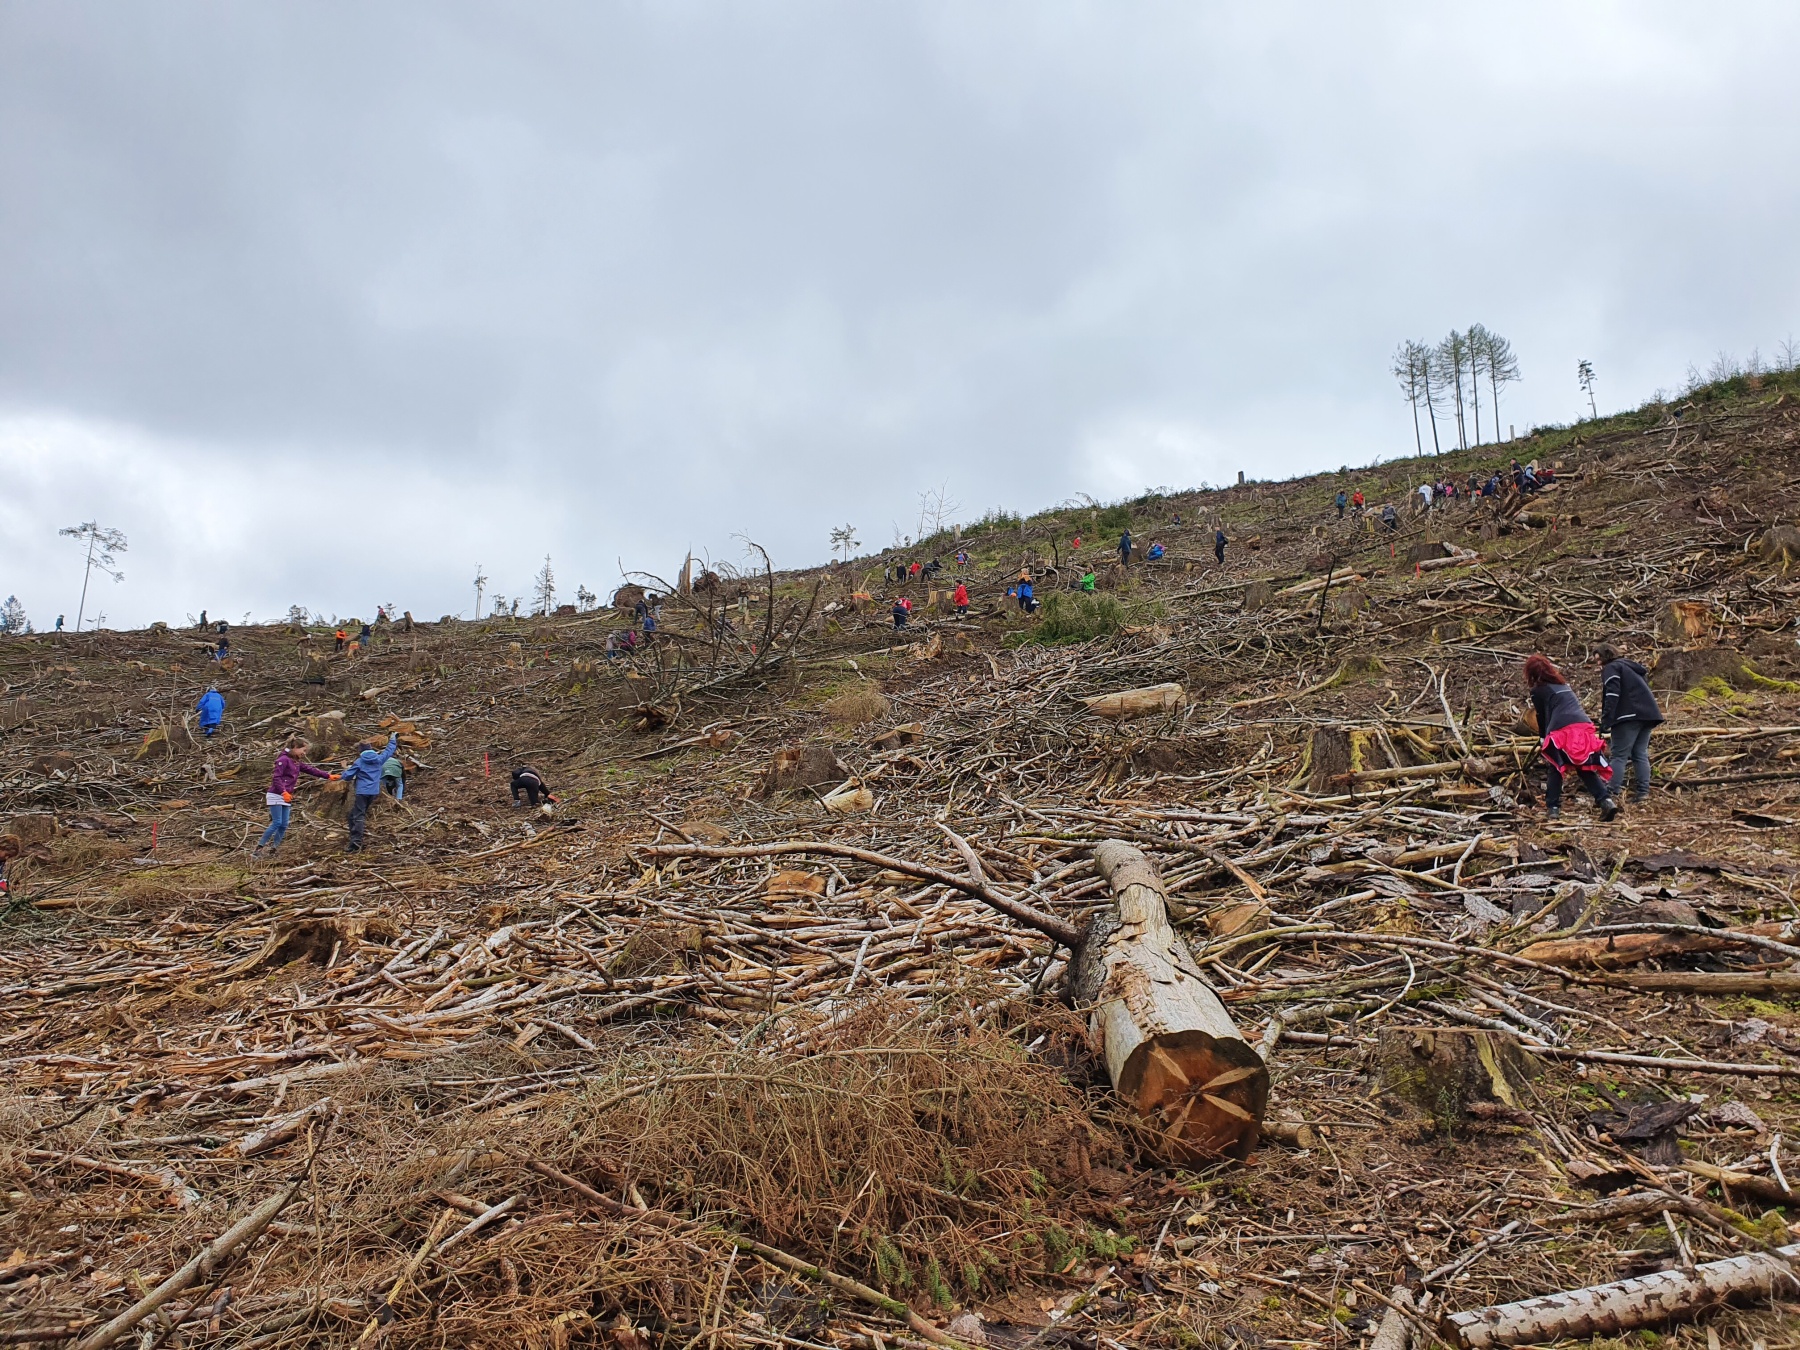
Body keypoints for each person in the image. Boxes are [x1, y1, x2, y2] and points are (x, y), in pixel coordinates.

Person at [1525, 655, 1617, 821]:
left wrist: (1543, 738)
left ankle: (1553, 808)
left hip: (1561, 730)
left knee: (1555, 767)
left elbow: (1541, 716)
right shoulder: (1564, 686)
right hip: (1583, 726)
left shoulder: (1538, 691)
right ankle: (1606, 801)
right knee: (1584, 767)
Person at [1596, 643, 1663, 804]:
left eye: (1598, 659)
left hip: (1627, 716)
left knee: (1619, 755)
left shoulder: (1612, 668)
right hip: (1648, 714)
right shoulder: (1632, 668)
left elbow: (1612, 694)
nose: (1597, 663)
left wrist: (1606, 719)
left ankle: (1611, 792)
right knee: (1640, 753)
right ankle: (1643, 792)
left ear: (1606, 656)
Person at [255, 738, 335, 856]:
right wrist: (283, 792)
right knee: (277, 822)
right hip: (276, 795)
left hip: (287, 796)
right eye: (304, 750)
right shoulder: (283, 760)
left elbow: (310, 770)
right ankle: (258, 848)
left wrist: (328, 776)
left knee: (284, 824)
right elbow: (276, 778)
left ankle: (273, 849)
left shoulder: (295, 762)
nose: (305, 753)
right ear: (296, 747)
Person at [339, 735, 399, 852]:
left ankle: (356, 844)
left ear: (360, 751)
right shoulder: (379, 759)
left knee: (358, 816)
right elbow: (389, 750)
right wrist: (393, 739)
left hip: (362, 792)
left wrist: (345, 768)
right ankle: (354, 838)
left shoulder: (359, 762)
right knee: (352, 815)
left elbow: (347, 777)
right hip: (374, 792)